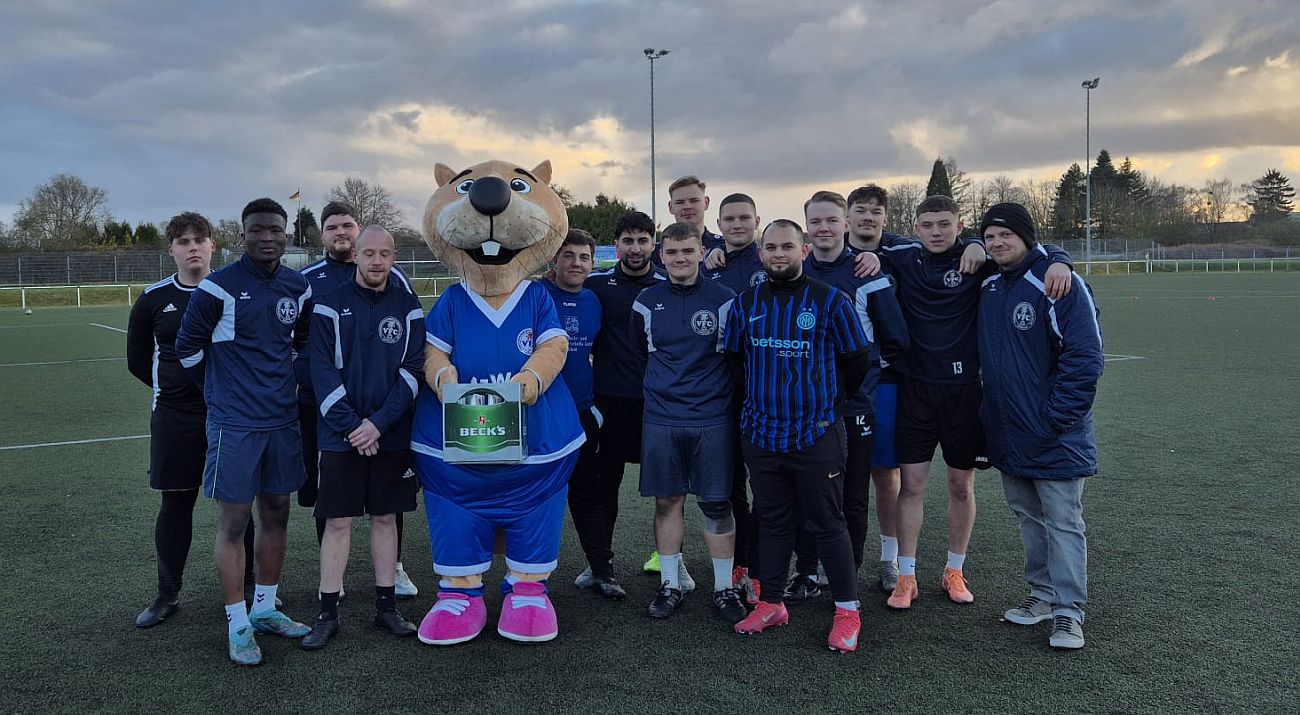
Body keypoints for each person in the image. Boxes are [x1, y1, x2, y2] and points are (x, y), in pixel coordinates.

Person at [881, 195, 1073, 611]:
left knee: (959, 485)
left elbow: (1031, 251)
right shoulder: (901, 254)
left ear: (958, 224)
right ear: (915, 228)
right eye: (927, 225)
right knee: (911, 485)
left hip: (965, 392)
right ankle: (906, 575)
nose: (936, 232)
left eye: (944, 224)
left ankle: (954, 570)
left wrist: (1061, 259)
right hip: (915, 391)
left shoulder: (980, 258)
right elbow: (858, 237)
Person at [175, 198, 313, 665]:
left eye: (275, 229)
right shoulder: (217, 288)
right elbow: (187, 348)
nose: (267, 237)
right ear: (244, 234)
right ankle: (237, 622)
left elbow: (300, 344)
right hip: (235, 425)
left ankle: (266, 608)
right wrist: (219, 395)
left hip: (282, 421)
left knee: (277, 513)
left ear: (287, 234)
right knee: (234, 523)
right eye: (258, 230)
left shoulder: (298, 287)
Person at [727, 219, 871, 653]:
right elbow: (735, 365)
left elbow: (857, 362)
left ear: (804, 251)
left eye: (788, 246)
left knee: (828, 523)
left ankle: (847, 610)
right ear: (760, 253)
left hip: (816, 433)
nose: (779, 254)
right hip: (761, 433)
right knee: (770, 521)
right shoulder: (745, 303)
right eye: (771, 247)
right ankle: (771, 602)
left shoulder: (831, 301)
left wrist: (822, 403)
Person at [976, 203, 1102, 650]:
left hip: (1054, 433)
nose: (997, 243)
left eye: (1005, 235)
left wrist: (1058, 418)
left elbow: (1085, 357)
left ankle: (1070, 613)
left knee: (1063, 521)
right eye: (989, 236)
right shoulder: (990, 285)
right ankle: (1043, 596)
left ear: (1028, 238)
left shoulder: (1057, 283)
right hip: (1009, 433)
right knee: (1030, 519)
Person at [127, 212, 260, 628]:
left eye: (199, 240)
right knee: (176, 503)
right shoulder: (152, 300)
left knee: (238, 505)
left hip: (229, 414)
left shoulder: (235, 292)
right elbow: (136, 362)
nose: (193, 248)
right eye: (183, 242)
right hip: (175, 418)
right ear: (172, 250)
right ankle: (167, 594)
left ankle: (251, 587)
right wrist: (178, 389)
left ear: (213, 246)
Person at [299, 226, 425, 650]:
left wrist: (379, 424)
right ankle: (327, 613)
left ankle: (386, 608)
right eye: (369, 253)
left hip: (389, 435)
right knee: (336, 521)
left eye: (384, 254)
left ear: (393, 258)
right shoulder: (328, 306)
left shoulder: (408, 306)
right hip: (340, 435)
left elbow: (413, 372)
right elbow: (321, 373)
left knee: (386, 518)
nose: (376, 261)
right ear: (355, 255)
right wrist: (355, 426)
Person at [792, 191, 909, 602]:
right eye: (816, 221)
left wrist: (860, 380)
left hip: (855, 406)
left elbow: (895, 339)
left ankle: (849, 573)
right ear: (807, 226)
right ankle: (807, 571)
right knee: (809, 490)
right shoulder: (792, 272)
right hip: (804, 408)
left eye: (831, 220)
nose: (823, 228)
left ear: (845, 225)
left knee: (854, 492)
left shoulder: (867, 273)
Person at [630, 222, 746, 624]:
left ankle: (723, 587)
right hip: (662, 418)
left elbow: (737, 359)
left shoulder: (725, 299)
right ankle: (670, 584)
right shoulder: (645, 302)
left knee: (716, 502)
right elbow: (638, 356)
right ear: (662, 256)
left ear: (701, 252)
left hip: (713, 418)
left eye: (687, 251)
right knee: (668, 501)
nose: (680, 258)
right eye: (672, 252)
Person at [582, 212, 693, 591]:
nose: (635, 248)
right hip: (608, 402)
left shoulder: (668, 283)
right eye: (627, 241)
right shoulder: (596, 285)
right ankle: (601, 564)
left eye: (642, 240)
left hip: (658, 402)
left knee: (669, 488)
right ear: (617, 245)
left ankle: (673, 562)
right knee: (604, 485)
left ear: (653, 243)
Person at [543, 230, 620, 599]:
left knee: (587, 492)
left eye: (583, 257)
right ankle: (527, 575)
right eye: (568, 255)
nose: (576, 263)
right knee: (537, 496)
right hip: (540, 415)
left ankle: (601, 570)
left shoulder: (595, 299)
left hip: (582, 414)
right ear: (554, 261)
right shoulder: (536, 295)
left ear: (593, 262)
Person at [844, 185, 910, 591]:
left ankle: (890, 559)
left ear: (886, 218)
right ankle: (822, 558)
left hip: (882, 383)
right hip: (830, 390)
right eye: (860, 210)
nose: (868, 218)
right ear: (847, 216)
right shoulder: (822, 255)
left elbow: (954, 241)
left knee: (885, 474)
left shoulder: (901, 252)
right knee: (833, 476)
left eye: (875, 211)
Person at [700, 192, 765, 603]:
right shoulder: (710, 268)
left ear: (756, 220)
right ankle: (739, 564)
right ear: (719, 224)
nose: (737, 224)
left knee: (769, 488)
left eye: (744, 218)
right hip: (724, 396)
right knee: (731, 489)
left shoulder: (773, 258)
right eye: (730, 219)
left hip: (768, 395)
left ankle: (764, 569)